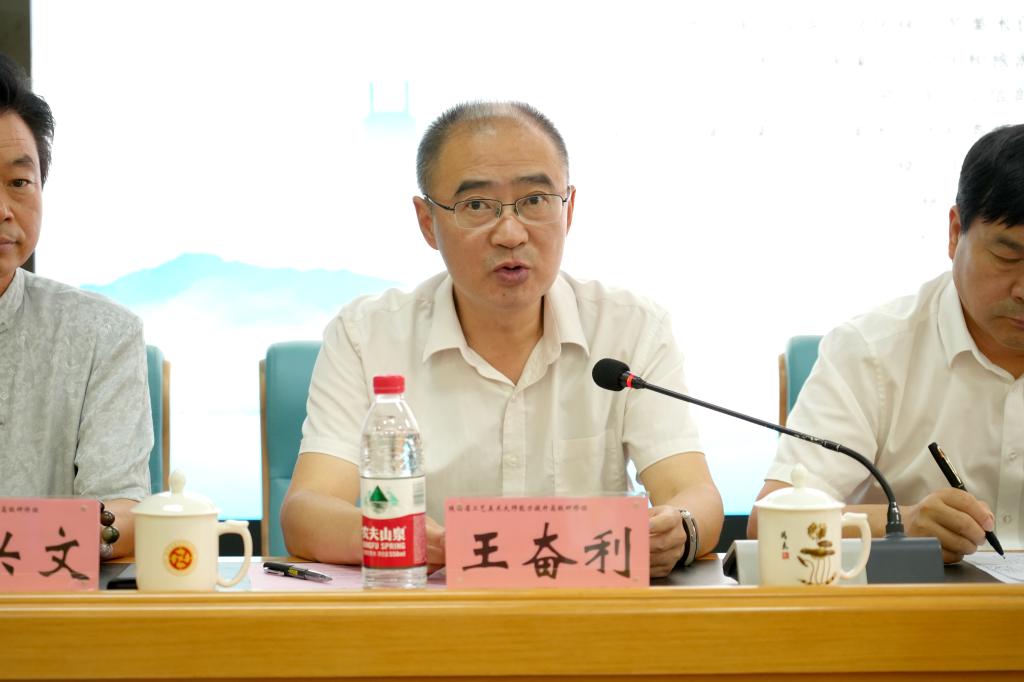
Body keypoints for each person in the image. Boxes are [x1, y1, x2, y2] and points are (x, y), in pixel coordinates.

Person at [282, 101, 723, 576]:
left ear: (569, 210)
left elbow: (695, 494)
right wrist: (410, 540)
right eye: (476, 206)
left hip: (587, 611)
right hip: (429, 610)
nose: (511, 234)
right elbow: (306, 513)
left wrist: (680, 529)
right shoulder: (366, 336)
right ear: (428, 222)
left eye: (535, 200)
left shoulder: (631, 328)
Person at [749, 124, 1024, 563]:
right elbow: (771, 522)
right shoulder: (871, 352)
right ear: (955, 232)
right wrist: (903, 523)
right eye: (1008, 257)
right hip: (916, 600)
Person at [0, 54, 152, 559]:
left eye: (19, 182)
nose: (3, 209)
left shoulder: (102, 333)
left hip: (53, 599)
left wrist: (34, 542)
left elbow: (125, 511)